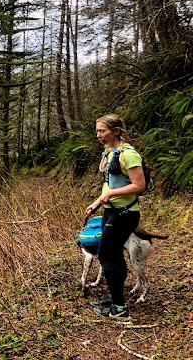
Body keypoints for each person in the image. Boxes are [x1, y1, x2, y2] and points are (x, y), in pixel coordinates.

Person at [85, 114, 146, 321]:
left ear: (116, 131)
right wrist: (97, 202)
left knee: (106, 255)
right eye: (97, 131)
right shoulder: (110, 152)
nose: (98, 135)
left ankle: (119, 310)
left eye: (102, 131)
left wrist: (110, 194)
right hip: (111, 211)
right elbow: (109, 183)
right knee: (114, 255)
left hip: (125, 214)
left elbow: (139, 185)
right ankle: (116, 298)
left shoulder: (129, 154)